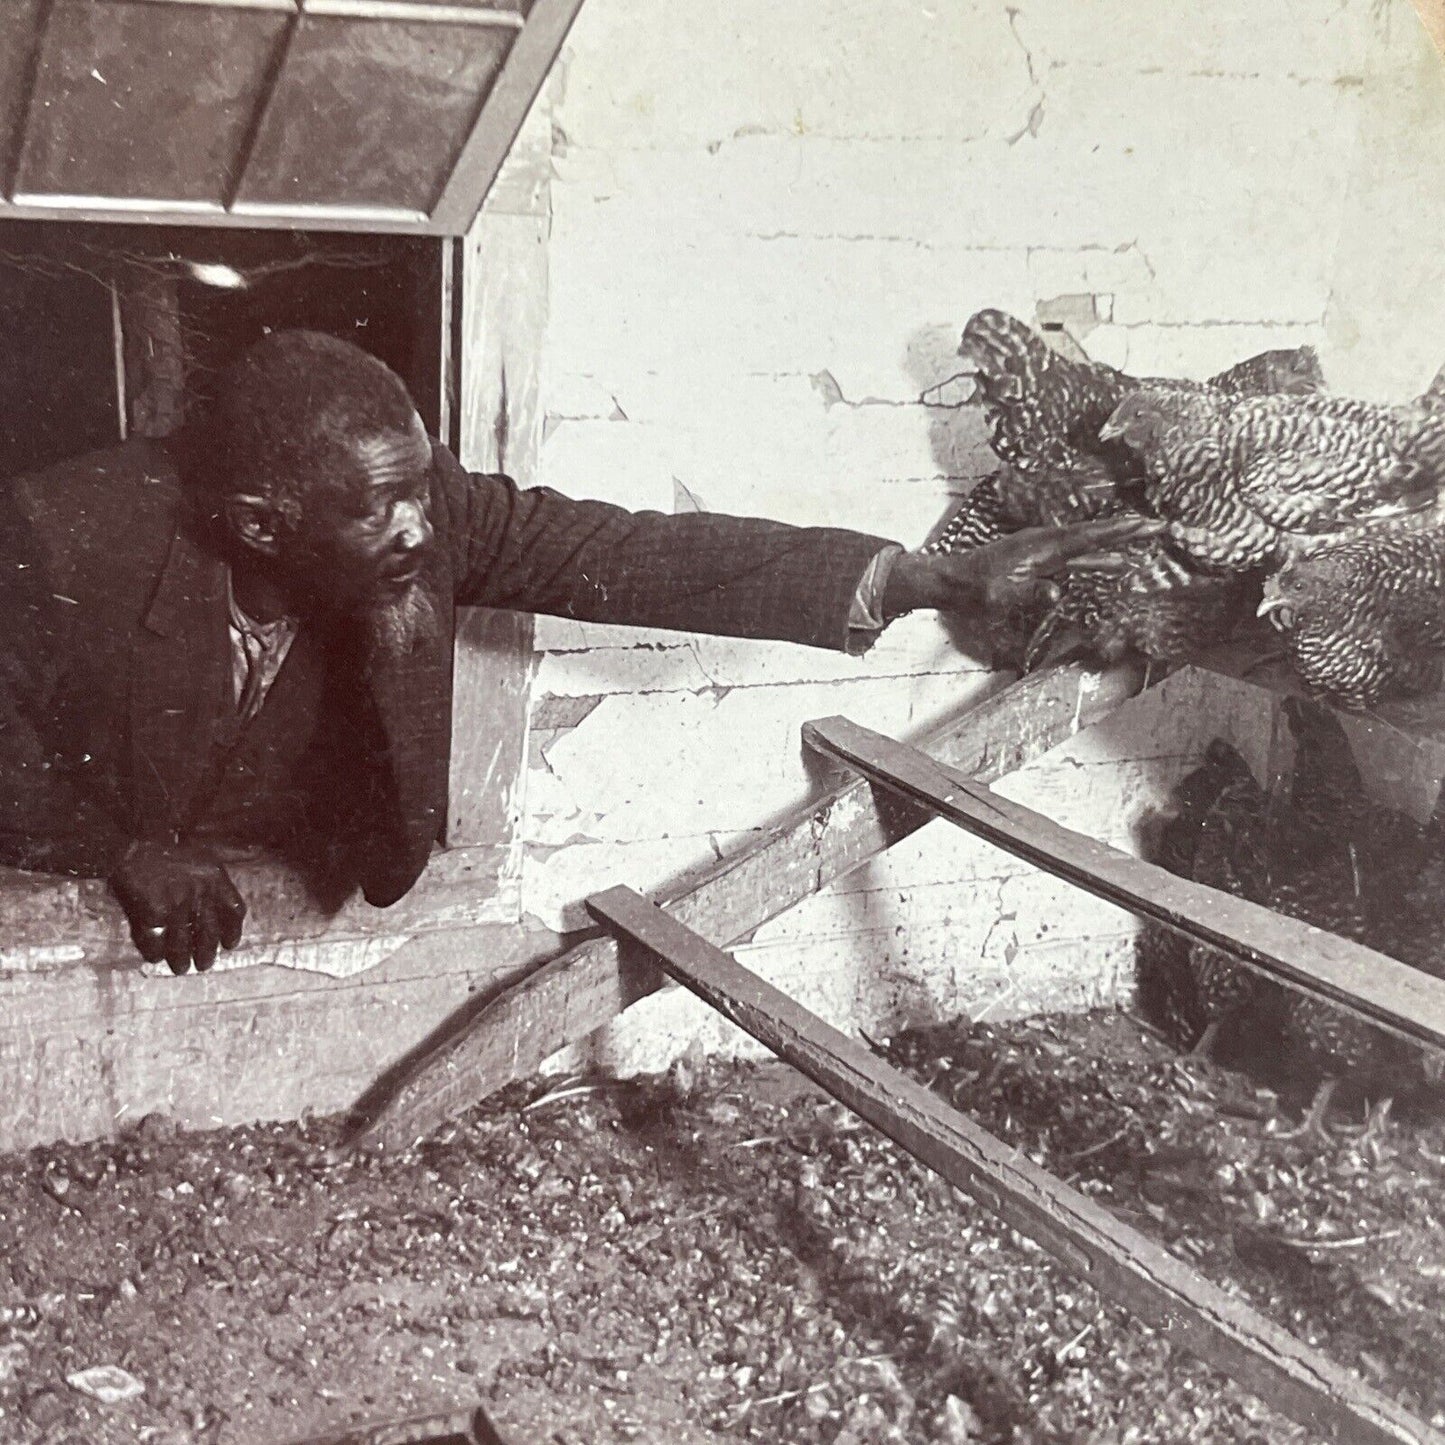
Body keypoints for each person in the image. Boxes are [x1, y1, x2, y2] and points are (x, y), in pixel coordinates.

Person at [0, 330, 1156, 974]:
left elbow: (637, 553)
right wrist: (126, 849)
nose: (419, 529)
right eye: (379, 509)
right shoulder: (64, 537)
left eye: (423, 489)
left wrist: (920, 576)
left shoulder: (425, 511)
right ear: (259, 521)